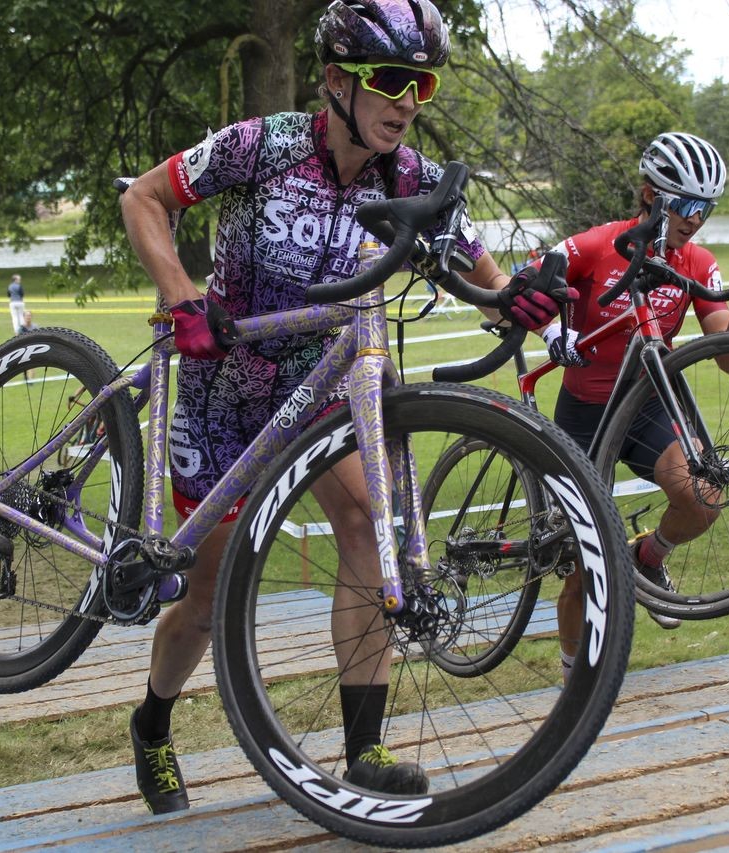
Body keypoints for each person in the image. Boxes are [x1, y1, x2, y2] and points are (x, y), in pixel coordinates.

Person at [119, 0, 568, 815]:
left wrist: (521, 302)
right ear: (335, 79)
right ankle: (152, 722)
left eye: (421, 84)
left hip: (328, 382)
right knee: (207, 598)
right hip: (228, 384)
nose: (407, 101)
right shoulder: (263, 145)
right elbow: (144, 200)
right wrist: (179, 291)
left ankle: (365, 749)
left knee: (368, 524)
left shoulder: (416, 182)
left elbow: (484, 276)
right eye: (391, 81)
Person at [542, 131, 729, 653]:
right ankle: (572, 683)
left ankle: (647, 559)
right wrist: (551, 332)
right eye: (685, 203)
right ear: (651, 193)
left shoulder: (697, 261)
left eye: (706, 207)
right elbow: (529, 281)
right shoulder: (599, 243)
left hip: (647, 404)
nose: (694, 218)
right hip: (584, 413)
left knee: (704, 499)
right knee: (584, 567)